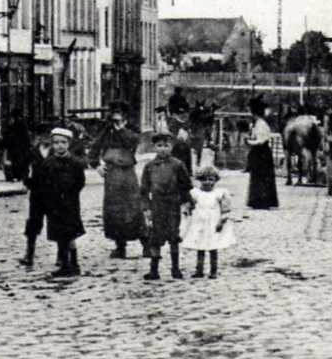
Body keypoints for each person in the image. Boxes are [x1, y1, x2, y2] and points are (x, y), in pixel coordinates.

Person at [90, 103, 144, 259]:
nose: (116, 115)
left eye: (119, 112)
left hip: (127, 172)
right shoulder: (106, 130)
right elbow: (95, 147)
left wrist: (121, 129)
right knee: (114, 209)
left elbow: (132, 142)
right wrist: (96, 165)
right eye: (114, 112)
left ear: (125, 115)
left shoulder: (132, 130)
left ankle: (145, 242)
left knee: (133, 206)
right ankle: (120, 246)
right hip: (112, 173)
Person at [140, 130, 194, 280]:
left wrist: (188, 203)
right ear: (154, 147)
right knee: (155, 237)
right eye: (159, 145)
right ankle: (154, 270)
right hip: (157, 205)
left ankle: (175, 269)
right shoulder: (149, 166)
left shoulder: (178, 165)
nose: (163, 149)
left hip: (173, 205)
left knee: (173, 236)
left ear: (171, 147)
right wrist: (146, 208)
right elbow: (144, 190)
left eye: (166, 145)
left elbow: (186, 186)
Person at [38, 127, 86, 278]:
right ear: (52, 144)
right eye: (56, 143)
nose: (60, 145)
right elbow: (43, 182)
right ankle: (65, 263)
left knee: (70, 235)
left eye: (63, 142)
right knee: (59, 235)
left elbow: (80, 182)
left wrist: (70, 193)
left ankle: (74, 263)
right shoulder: (48, 163)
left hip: (70, 204)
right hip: (54, 205)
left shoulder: (75, 163)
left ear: (69, 144)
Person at [181, 164, 235, 279]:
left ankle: (213, 270)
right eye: (204, 179)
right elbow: (190, 205)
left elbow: (225, 209)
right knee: (200, 246)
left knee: (212, 247)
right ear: (199, 180)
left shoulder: (220, 193)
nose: (207, 182)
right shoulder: (195, 193)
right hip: (200, 223)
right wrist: (187, 210)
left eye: (211, 179)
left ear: (215, 180)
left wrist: (222, 221)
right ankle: (199, 270)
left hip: (213, 223)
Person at [17, 126, 54, 268]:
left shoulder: (55, 151)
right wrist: (27, 181)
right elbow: (24, 168)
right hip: (37, 193)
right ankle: (29, 254)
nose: (45, 138)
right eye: (42, 135)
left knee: (57, 223)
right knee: (33, 223)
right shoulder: (32, 152)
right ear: (37, 137)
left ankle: (61, 256)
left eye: (47, 135)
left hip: (53, 192)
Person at [245, 98, 280, 210]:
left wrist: (249, 142)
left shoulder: (261, 124)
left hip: (261, 152)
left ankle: (262, 201)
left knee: (261, 175)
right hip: (259, 152)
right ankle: (258, 200)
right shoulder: (257, 124)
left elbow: (261, 140)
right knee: (258, 175)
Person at [2, 115, 29, 182]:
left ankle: (18, 176)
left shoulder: (15, 127)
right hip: (17, 148)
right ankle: (19, 176)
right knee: (18, 162)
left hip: (16, 149)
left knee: (17, 162)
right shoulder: (20, 127)